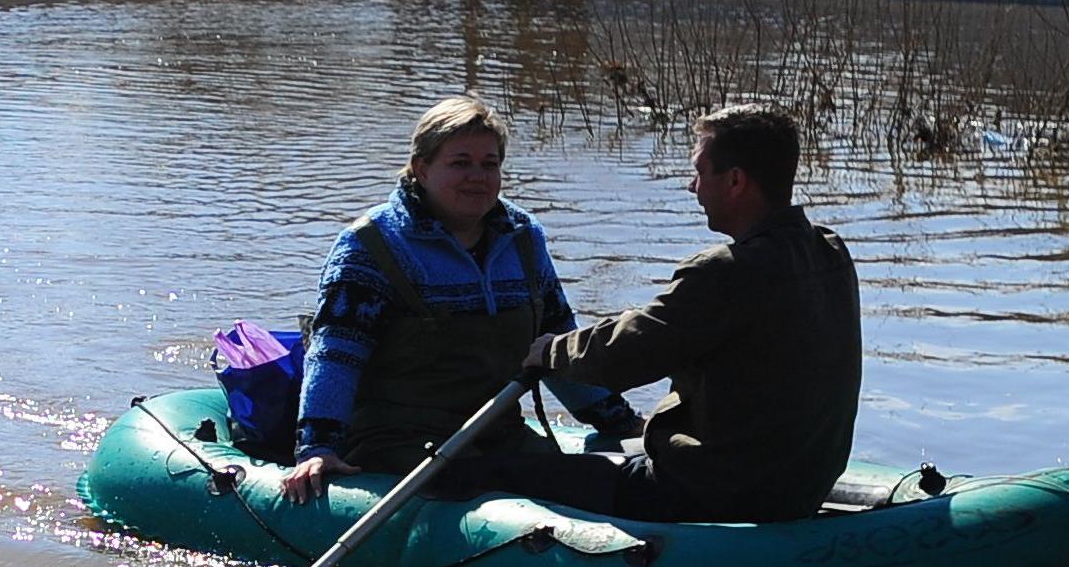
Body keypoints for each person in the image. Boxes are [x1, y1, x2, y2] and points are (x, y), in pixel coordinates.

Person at [468, 102, 864, 524]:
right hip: (800, 482)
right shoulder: (831, 250)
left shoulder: (726, 272)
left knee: (500, 474)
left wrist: (551, 352)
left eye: (699, 171)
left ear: (735, 181)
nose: (692, 187)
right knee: (606, 447)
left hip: (714, 492)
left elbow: (629, 352)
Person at [278, 95, 640, 503]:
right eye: (460, 163)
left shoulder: (523, 238)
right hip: (395, 443)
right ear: (422, 168)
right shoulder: (372, 246)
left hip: (496, 435)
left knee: (598, 486)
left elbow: (557, 346)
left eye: (490, 164)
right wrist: (317, 448)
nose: (478, 177)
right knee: (482, 483)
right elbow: (336, 355)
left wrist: (621, 423)